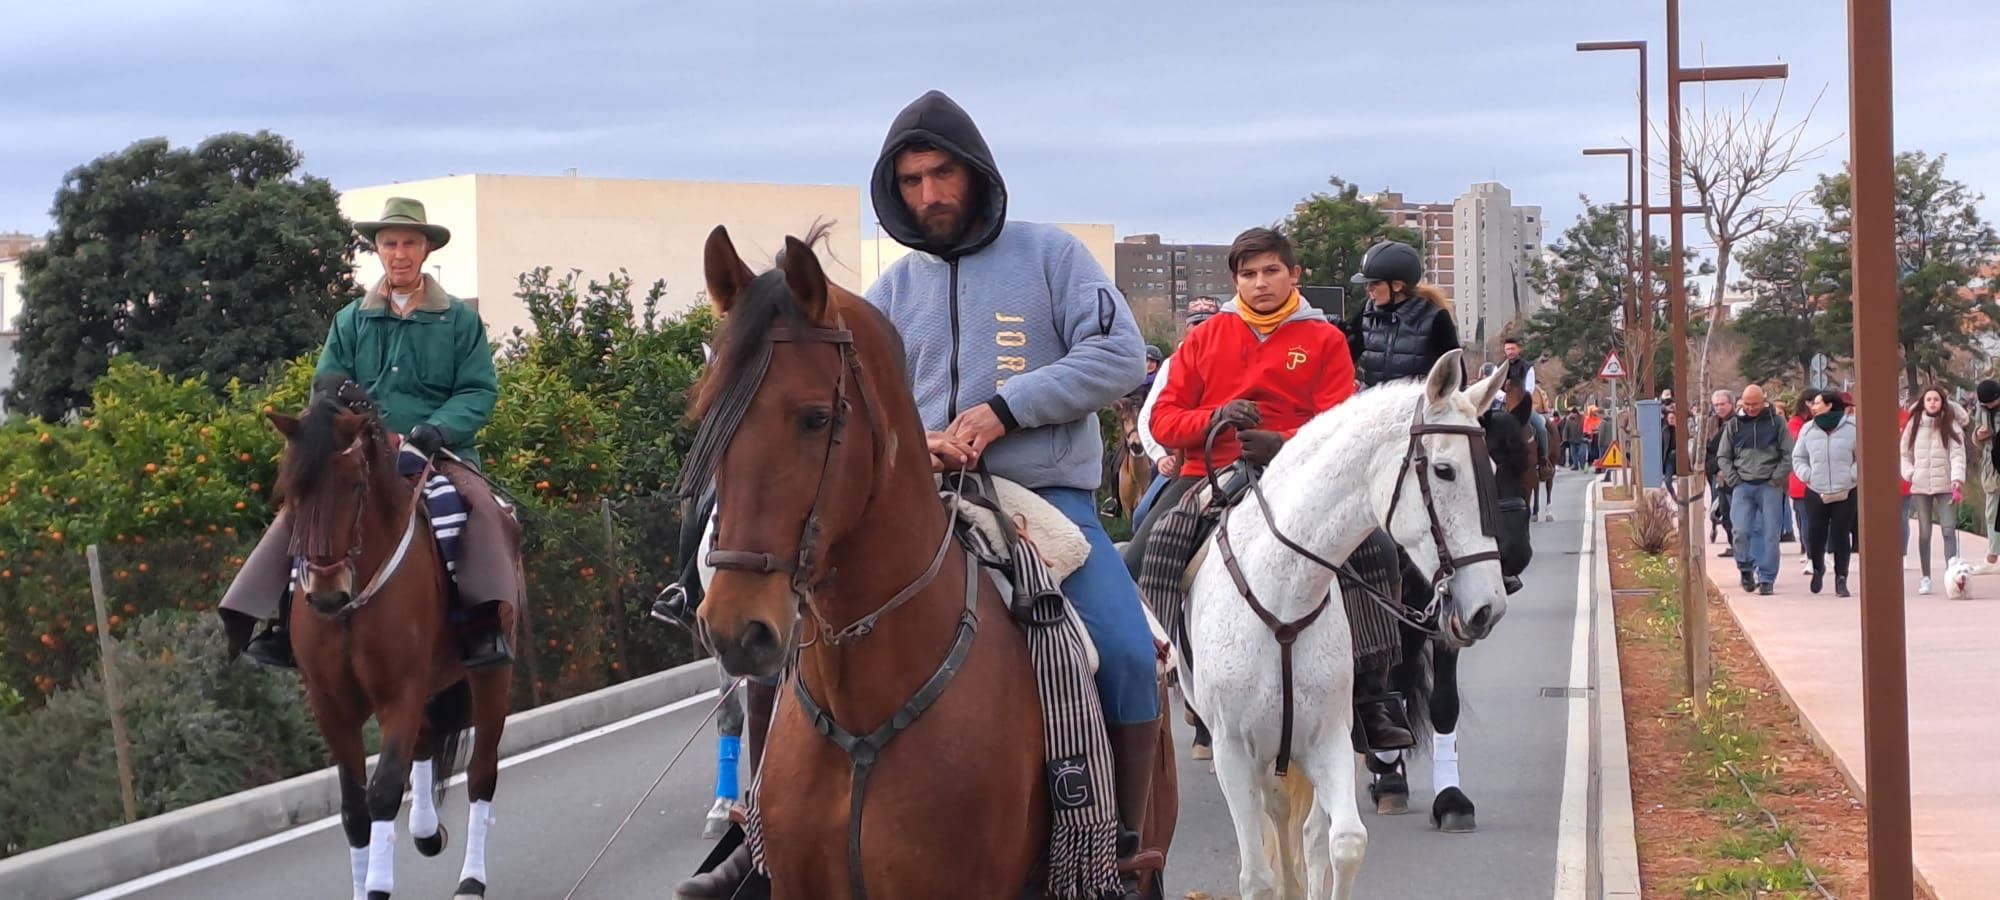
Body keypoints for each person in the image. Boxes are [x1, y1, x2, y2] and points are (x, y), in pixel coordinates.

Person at [862, 89, 1160, 891]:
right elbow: (864, 411)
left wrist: (1001, 411)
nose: (930, 194)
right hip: (922, 507)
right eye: (914, 179)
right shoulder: (889, 293)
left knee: (1128, 654)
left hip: (1044, 503)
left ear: (978, 173)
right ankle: (761, 835)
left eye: (943, 173)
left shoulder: (1050, 255)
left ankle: (1120, 848)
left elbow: (1120, 358)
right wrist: (914, 439)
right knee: (805, 643)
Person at [217, 198, 513, 669]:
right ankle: (280, 621)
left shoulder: (459, 320)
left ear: (426, 250)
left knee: (473, 512)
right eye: (389, 243)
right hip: (359, 453)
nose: (399, 253)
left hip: (438, 453)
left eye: (409, 243)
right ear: (378, 249)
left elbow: (478, 391)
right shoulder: (350, 319)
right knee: (305, 510)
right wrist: (341, 411)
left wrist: (437, 428)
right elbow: (325, 386)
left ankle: (480, 623)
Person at [1130, 298, 1220, 526]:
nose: (1202, 328)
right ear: (1187, 328)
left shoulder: (1235, 357)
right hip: (1182, 461)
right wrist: (1160, 457)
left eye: (1209, 322)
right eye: (1196, 323)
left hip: (1229, 458)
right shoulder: (1172, 364)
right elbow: (1147, 417)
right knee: (1141, 517)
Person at [1344, 240, 1459, 388]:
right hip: (1372, 402)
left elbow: (1454, 375)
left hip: (1415, 406)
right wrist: (1337, 335)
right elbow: (1344, 359)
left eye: (1375, 283)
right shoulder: (1367, 313)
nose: (1368, 289)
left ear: (1397, 285)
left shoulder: (1436, 318)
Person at [1717, 384, 1794, 595]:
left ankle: (1768, 578)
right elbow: (1723, 456)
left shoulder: (1776, 423)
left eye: (1755, 404)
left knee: (1770, 534)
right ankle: (1745, 567)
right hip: (1743, 485)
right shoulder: (1734, 425)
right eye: (1747, 404)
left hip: (1769, 485)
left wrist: (1776, 478)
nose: (1751, 408)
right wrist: (1734, 479)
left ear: (1764, 401)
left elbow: (1789, 453)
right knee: (1740, 530)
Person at [1901, 385, 1967, 595]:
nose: (1932, 403)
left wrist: (1957, 478)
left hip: (1945, 485)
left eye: (1936, 399)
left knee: (1948, 530)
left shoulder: (1951, 425)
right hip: (1920, 485)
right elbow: (1904, 453)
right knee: (1924, 533)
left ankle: (1952, 575)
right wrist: (1910, 473)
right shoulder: (1913, 425)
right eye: (1928, 399)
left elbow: (1958, 454)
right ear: (1923, 402)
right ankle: (1925, 577)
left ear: (1942, 403)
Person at [1792, 390, 1858, 597]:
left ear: (1829, 405)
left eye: (1817, 402)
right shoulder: (1808, 429)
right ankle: (1818, 568)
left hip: (1844, 490)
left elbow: (1862, 456)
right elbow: (1798, 457)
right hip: (1815, 490)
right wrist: (1808, 475)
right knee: (1815, 535)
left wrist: (1852, 476)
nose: (1812, 405)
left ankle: (1841, 578)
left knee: (1840, 536)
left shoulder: (1852, 428)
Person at [1969, 380, 2000, 568]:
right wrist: (1978, 436)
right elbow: (1977, 438)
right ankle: (1992, 553)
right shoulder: (1981, 409)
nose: (1988, 407)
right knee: (1992, 511)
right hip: (1992, 465)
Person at [1705, 390, 1738, 557]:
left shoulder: (1735, 424)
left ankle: (1739, 547)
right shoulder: (1713, 423)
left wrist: (1715, 464)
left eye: (1722, 404)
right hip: (1718, 477)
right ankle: (1734, 545)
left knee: (1734, 513)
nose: (1719, 408)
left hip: (1731, 476)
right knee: (1724, 511)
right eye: (1716, 405)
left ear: (1731, 404)